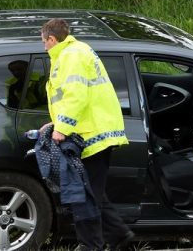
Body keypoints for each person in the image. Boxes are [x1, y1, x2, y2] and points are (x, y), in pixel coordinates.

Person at [39, 19, 134, 250]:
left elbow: (76, 95)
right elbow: (74, 98)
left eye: (44, 42)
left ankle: (91, 245)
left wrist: (62, 128)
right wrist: (56, 122)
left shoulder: (71, 56)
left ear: (52, 39)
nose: (44, 47)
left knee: (84, 194)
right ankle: (119, 236)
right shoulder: (73, 53)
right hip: (92, 132)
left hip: (92, 134)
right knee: (92, 191)